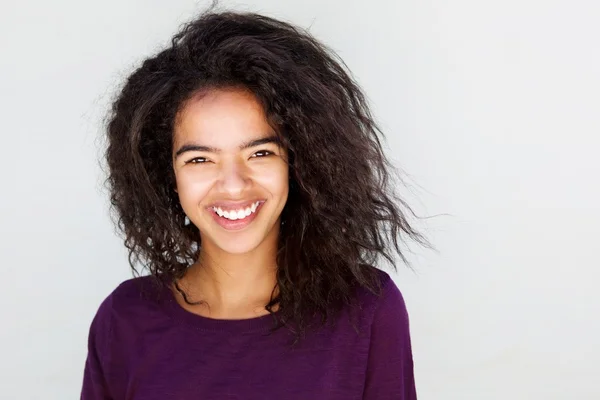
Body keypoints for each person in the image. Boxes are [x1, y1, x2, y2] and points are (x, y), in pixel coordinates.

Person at [81, 9, 428, 400]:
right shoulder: (124, 321)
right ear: (167, 176)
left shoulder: (367, 310)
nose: (233, 185)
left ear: (299, 163)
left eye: (260, 153)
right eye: (199, 159)